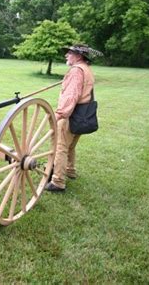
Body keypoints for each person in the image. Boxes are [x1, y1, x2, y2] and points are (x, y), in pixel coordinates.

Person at [45, 44, 102, 192]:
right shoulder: (86, 69)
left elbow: (72, 95)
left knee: (61, 147)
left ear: (78, 56)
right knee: (70, 145)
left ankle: (58, 181)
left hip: (72, 115)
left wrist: (60, 114)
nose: (66, 55)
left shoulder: (77, 71)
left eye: (69, 53)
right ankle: (70, 170)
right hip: (83, 115)